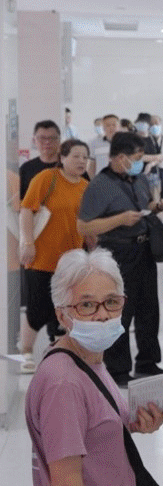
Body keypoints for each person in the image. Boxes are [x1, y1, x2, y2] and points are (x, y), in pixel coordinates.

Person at [26, 249, 163, 486]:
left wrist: (131, 424)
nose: (103, 315)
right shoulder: (63, 383)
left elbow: (89, 426)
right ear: (62, 315)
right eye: (87, 305)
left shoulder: (90, 360)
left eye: (111, 302)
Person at [77, 131, 163, 385]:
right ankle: (118, 369)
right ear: (120, 157)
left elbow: (145, 206)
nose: (140, 162)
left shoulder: (139, 179)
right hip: (118, 252)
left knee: (149, 308)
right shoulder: (99, 185)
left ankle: (147, 362)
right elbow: (84, 226)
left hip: (144, 250)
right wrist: (119, 220)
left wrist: (159, 206)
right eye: (137, 157)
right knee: (120, 310)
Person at [18, 139, 91, 372]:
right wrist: (27, 242)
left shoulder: (85, 186)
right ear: (63, 157)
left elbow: (86, 223)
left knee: (65, 308)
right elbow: (26, 209)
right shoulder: (46, 178)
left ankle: (60, 353)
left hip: (72, 261)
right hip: (42, 257)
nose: (81, 161)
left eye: (85, 157)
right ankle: (26, 352)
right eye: (76, 156)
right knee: (37, 308)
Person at [20, 120, 62, 199]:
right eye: (42, 138)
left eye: (52, 138)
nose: (47, 142)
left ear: (59, 140)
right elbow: (19, 199)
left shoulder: (70, 166)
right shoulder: (25, 169)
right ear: (34, 141)